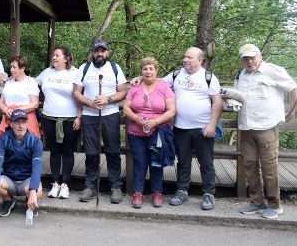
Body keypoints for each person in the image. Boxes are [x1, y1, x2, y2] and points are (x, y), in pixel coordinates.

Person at [235, 44, 297, 219]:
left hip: (267, 126)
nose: (249, 61)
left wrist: (291, 111)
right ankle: (256, 202)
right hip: (246, 127)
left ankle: (275, 205)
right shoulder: (240, 75)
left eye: (252, 57)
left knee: (269, 167)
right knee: (250, 166)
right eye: (245, 58)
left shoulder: (273, 70)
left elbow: (293, 88)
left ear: (260, 56)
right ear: (241, 60)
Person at [162, 47, 222, 210]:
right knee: (183, 162)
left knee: (206, 163)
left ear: (200, 60)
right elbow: (157, 83)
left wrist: (212, 125)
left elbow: (217, 102)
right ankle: (182, 191)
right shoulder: (176, 74)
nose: (185, 60)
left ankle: (209, 194)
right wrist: (139, 77)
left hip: (203, 128)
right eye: (184, 57)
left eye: (189, 57)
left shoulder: (208, 77)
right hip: (180, 127)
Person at [72, 38, 127, 203]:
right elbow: (76, 92)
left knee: (113, 150)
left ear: (107, 53)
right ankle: (89, 186)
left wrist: (108, 99)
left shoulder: (115, 68)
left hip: (110, 114)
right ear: (92, 53)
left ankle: (116, 186)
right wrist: (90, 102)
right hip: (89, 115)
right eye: (96, 51)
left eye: (102, 51)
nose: (99, 54)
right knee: (90, 152)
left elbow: (123, 92)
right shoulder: (84, 68)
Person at [123, 57, 176, 208]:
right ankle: (138, 193)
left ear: (156, 70)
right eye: (145, 69)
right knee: (139, 163)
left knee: (156, 163)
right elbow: (126, 107)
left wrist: (155, 122)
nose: (148, 71)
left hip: (158, 131)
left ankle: (157, 193)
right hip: (136, 132)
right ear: (141, 71)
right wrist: (136, 118)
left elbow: (172, 110)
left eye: (151, 68)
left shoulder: (164, 87)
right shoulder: (135, 87)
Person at [36, 46, 80, 199]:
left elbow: (81, 95)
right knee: (54, 150)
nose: (54, 57)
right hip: (49, 117)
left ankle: (65, 184)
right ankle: (55, 183)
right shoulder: (47, 72)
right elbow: (31, 83)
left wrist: (79, 117)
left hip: (69, 118)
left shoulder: (75, 73)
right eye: (53, 55)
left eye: (57, 55)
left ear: (66, 58)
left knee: (67, 151)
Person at [0, 109, 43, 217]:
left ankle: (29, 201)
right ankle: (9, 200)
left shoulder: (35, 141)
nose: (21, 126)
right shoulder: (3, 140)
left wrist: (33, 191)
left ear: (27, 123)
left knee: (38, 190)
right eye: (17, 122)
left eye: (24, 122)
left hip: (27, 181)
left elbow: (37, 168)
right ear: (11, 123)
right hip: (9, 179)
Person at [0, 56, 41, 139]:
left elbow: (35, 104)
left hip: (25, 118)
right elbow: (0, 101)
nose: (11, 70)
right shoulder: (8, 83)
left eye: (14, 67)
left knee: (27, 146)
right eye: (11, 67)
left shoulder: (30, 82)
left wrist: (16, 111)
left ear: (22, 68)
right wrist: (6, 110)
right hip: (9, 118)